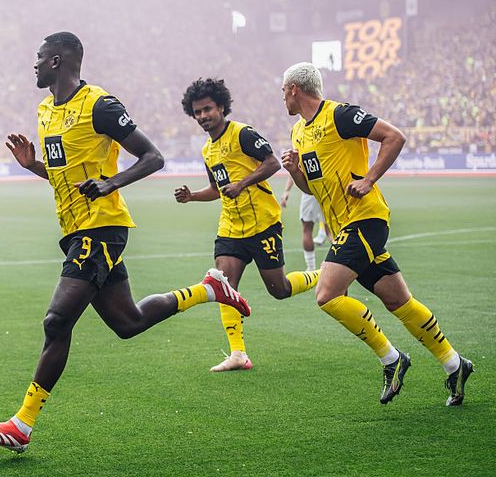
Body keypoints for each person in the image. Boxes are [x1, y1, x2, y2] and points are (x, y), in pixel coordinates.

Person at [0, 33, 251, 453]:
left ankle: (21, 425)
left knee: (56, 321)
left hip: (101, 228)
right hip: (74, 229)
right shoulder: (46, 110)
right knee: (128, 323)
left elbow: (153, 156)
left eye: (39, 57)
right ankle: (208, 289)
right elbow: (68, 177)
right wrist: (34, 167)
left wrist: (111, 183)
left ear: (58, 60)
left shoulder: (99, 105)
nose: (34, 64)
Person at [279, 62, 473, 406]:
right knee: (398, 300)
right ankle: (455, 364)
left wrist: (368, 180)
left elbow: (394, 136)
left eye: (283, 91)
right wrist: (295, 172)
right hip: (343, 227)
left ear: (294, 88)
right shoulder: (298, 133)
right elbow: (311, 189)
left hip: (366, 219)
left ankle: (391, 358)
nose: (282, 99)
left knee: (326, 294)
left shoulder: (339, 115)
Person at [174, 78, 320, 372]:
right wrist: (192, 197)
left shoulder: (242, 133)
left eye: (207, 109)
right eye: (198, 113)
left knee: (278, 289)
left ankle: (323, 274)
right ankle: (238, 354)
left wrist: (242, 184)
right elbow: (217, 189)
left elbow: (271, 163)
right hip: (230, 227)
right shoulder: (207, 150)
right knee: (224, 287)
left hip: (263, 224)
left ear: (221, 107)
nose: (203, 116)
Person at [280, 176, 330, 270]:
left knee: (307, 229)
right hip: (328, 188)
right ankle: (340, 262)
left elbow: (294, 166)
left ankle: (311, 268)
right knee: (331, 230)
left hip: (310, 189)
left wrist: (287, 190)